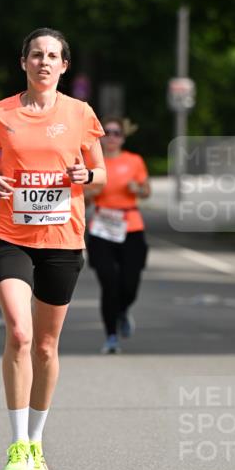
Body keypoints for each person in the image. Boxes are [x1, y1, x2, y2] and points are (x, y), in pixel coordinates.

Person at [0, 28, 106, 470]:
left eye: (52, 56)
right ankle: (16, 445)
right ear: (24, 63)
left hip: (63, 241)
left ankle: (36, 442)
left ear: (64, 65)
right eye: (36, 55)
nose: (44, 62)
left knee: (48, 346)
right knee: (20, 332)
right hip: (10, 235)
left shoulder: (81, 114)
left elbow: (101, 172)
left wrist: (84, 173)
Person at [85, 116, 151, 354]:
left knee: (129, 284)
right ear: (100, 137)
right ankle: (111, 335)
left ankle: (123, 310)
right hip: (102, 227)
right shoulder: (92, 163)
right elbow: (80, 198)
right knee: (108, 281)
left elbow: (146, 191)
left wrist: (138, 189)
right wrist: (90, 193)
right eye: (107, 133)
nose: (111, 137)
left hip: (130, 226)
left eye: (116, 133)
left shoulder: (133, 161)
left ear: (123, 138)